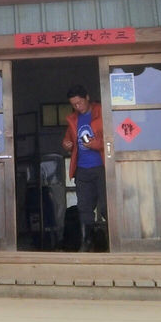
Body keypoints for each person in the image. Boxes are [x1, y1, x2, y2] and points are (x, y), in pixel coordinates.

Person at [62, 84, 107, 252]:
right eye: (73, 104)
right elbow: (68, 140)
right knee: (84, 208)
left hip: (102, 166)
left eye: (79, 103)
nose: (77, 107)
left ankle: (114, 243)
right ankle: (86, 243)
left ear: (87, 97)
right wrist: (67, 144)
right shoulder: (73, 119)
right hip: (82, 169)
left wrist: (95, 144)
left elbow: (113, 140)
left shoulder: (102, 112)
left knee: (106, 206)